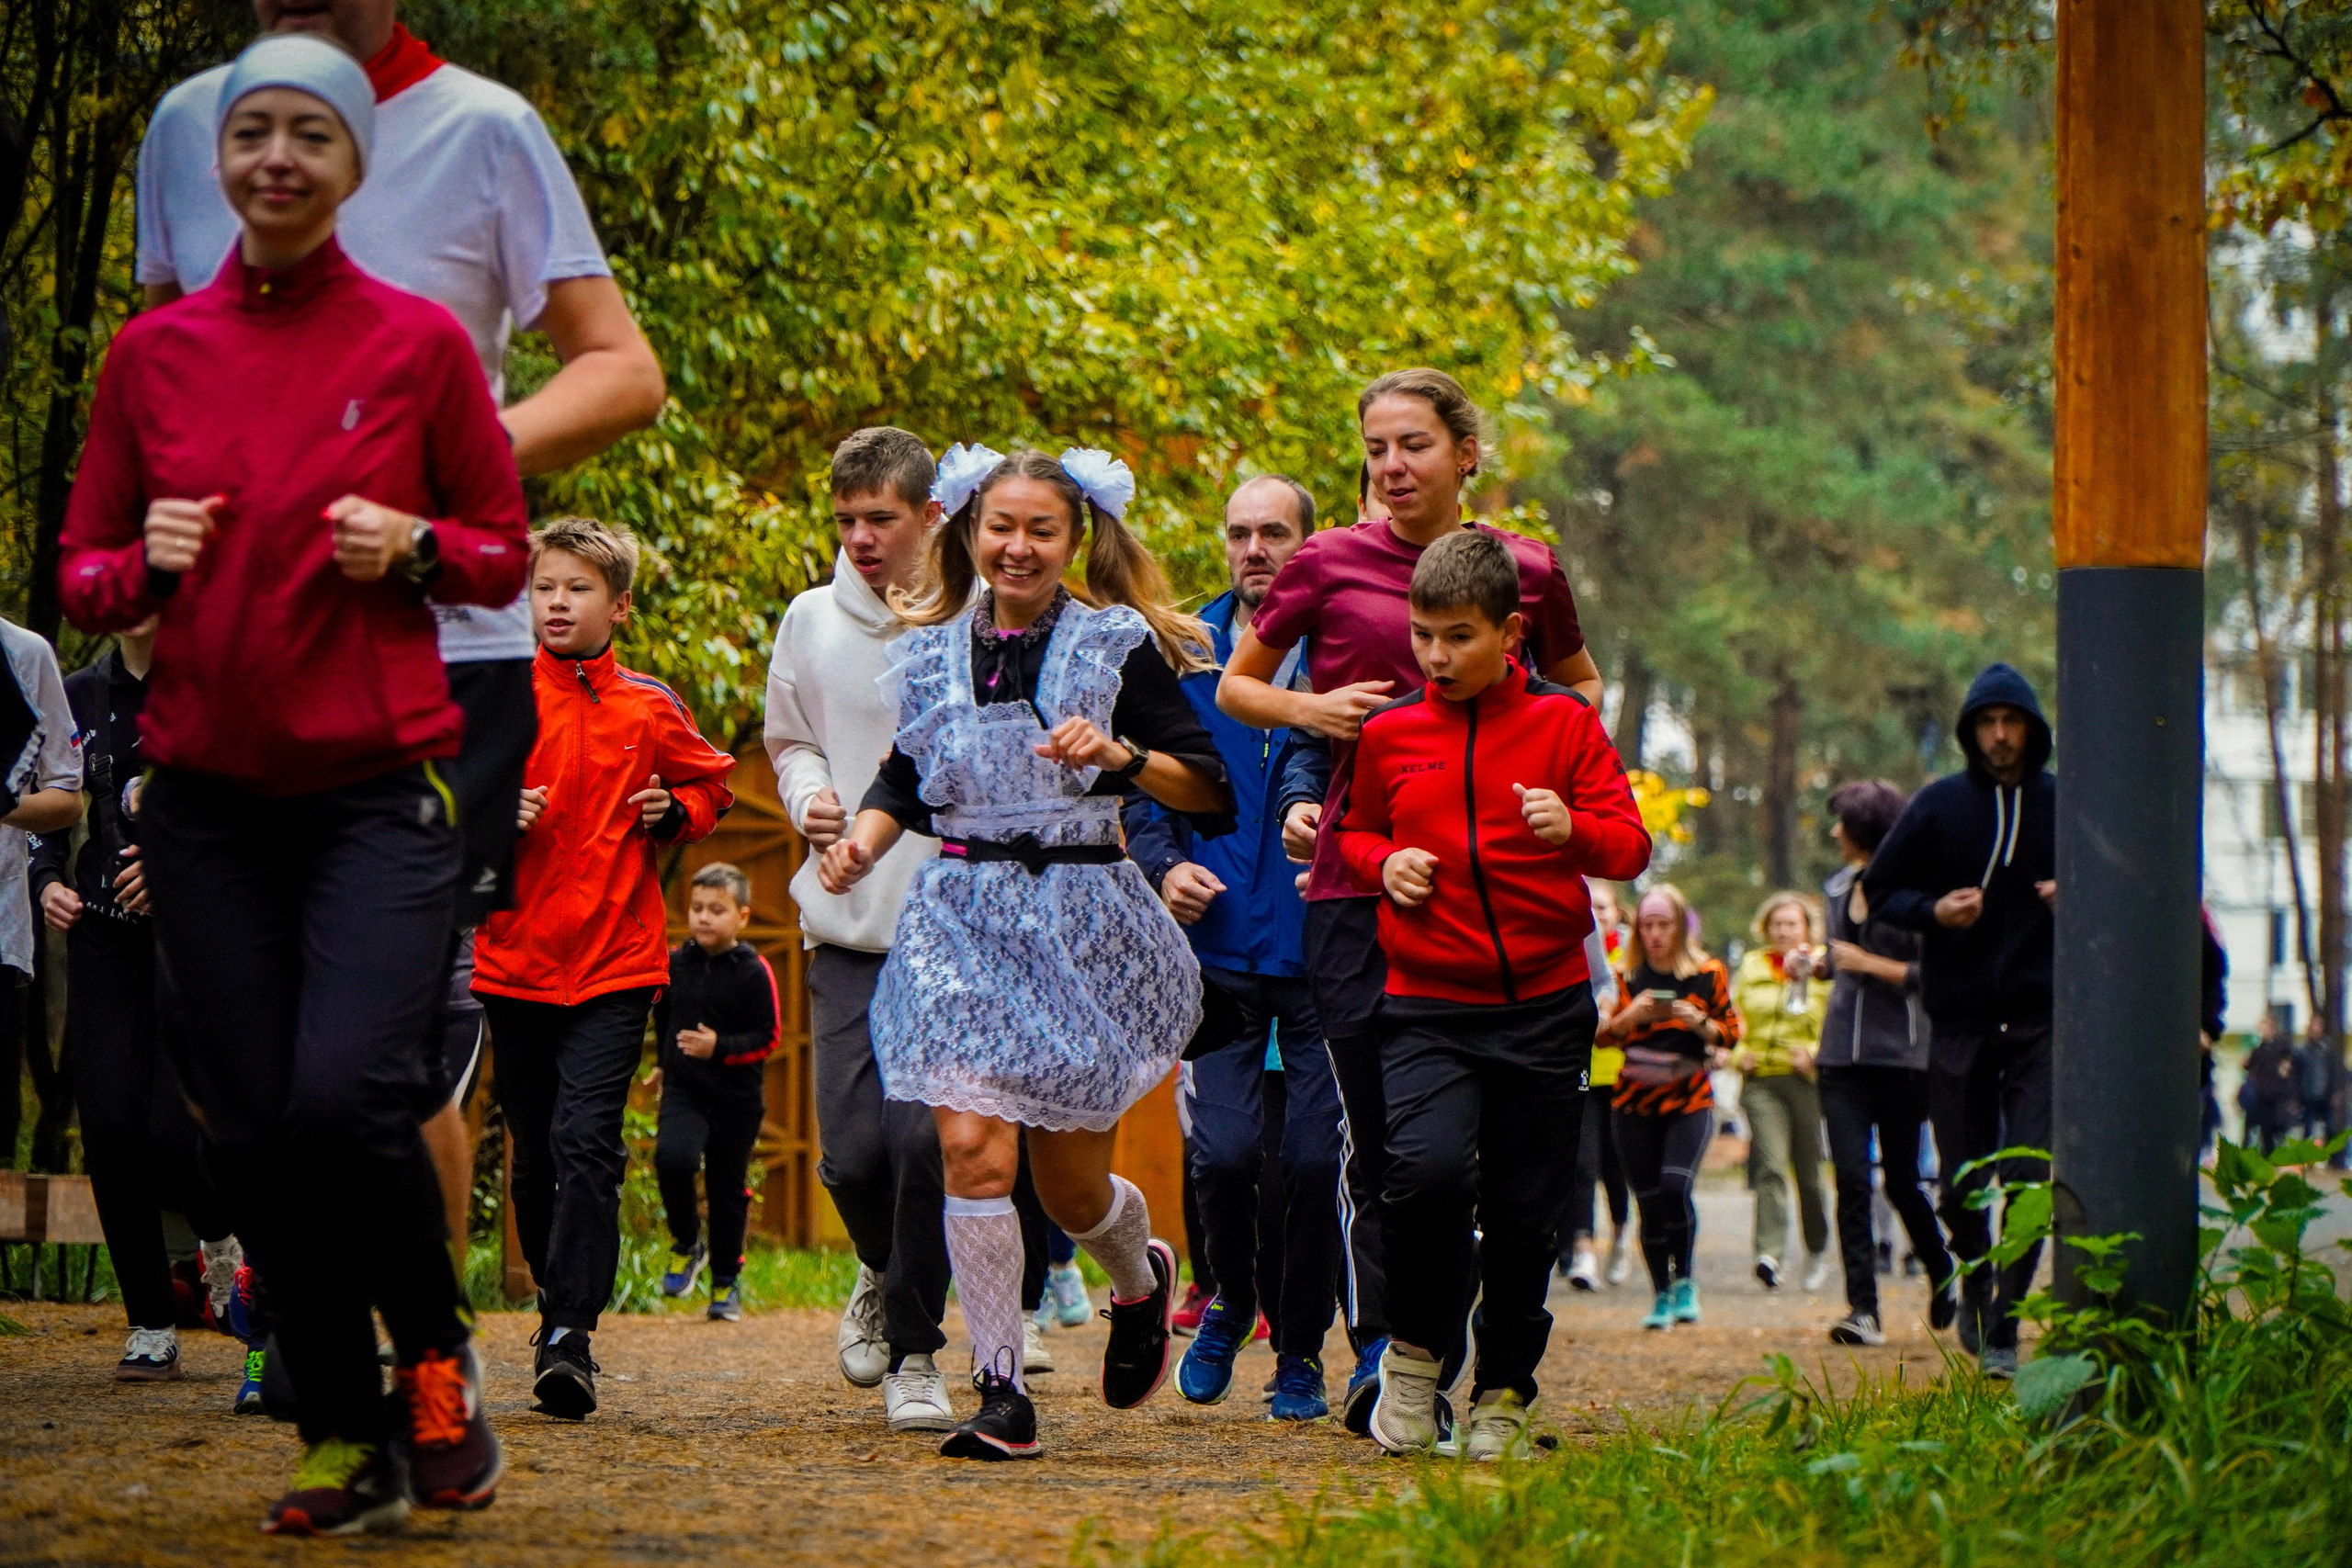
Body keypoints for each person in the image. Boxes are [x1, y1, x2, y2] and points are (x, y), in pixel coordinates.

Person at [61, 34, 519, 1531]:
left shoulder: (416, 347)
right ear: (220, 161)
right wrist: (142, 567)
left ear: (351, 166)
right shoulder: (153, 355)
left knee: (348, 1098)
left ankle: (436, 1369)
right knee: (246, 1129)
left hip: (380, 789)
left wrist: (422, 547)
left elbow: (503, 546)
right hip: (202, 799)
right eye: (251, 132)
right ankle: (339, 1425)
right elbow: (80, 567)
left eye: (307, 137)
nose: (275, 158)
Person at [136, 0, 667, 1252]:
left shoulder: (485, 128)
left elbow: (622, 371)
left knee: (394, 1038)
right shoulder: (183, 126)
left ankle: (417, 1353)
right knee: (235, 1050)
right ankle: (311, 1310)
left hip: (441, 656)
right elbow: (159, 364)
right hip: (237, 669)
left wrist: (434, 470)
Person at [818, 446, 1231, 1461]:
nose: (1018, 546)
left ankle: (1139, 1279)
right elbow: (903, 783)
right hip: (963, 917)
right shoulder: (927, 650)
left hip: (1083, 921)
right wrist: (859, 847)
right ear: (968, 530)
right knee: (970, 1150)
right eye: (1001, 526)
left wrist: (1122, 756)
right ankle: (1001, 1388)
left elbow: (1209, 787)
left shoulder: (1112, 647)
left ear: (1073, 538)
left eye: (1041, 529)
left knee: (1071, 1191)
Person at [1217, 367, 1601, 1430]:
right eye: (1377, 448)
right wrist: (1321, 712)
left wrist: (1551, 790)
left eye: (1414, 446)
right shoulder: (1328, 563)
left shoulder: (1524, 569)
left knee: (1491, 1162)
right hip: (1356, 887)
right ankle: (1391, 1354)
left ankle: (1469, 1361)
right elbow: (1237, 687)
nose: (1393, 467)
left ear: (1465, 454)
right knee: (1391, 1150)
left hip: (1496, 902)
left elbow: (1580, 685)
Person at [1328, 530, 1648, 1459]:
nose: (1435, 656)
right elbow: (1349, 836)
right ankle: (1416, 1357)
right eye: (1423, 635)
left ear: (1511, 632)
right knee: (1420, 1179)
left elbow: (1629, 845)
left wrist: (1572, 830)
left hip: (1545, 1007)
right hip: (1425, 1006)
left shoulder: (1563, 727)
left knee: (1522, 1211)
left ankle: (1503, 1391)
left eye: (1458, 636)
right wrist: (1386, 863)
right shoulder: (1391, 734)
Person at [471, 518, 736, 1420]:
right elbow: (435, 792)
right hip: (512, 960)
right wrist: (489, 810)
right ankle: (557, 1308)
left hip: (618, 964)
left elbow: (713, 788)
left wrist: (674, 811)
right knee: (538, 1156)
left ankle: (568, 1336)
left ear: (616, 604)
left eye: (576, 589)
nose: (556, 602)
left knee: (588, 1142)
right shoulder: (497, 695)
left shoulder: (650, 706)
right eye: (544, 587)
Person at [1125, 473, 1344, 1422]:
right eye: (1238, 534)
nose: (1253, 550)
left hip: (1321, 949)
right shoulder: (1183, 651)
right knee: (1218, 1158)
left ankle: (1299, 1354)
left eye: (1273, 534)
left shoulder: (1347, 654)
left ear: (1309, 545)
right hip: (1212, 950)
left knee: (1304, 1166)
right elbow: (1145, 787)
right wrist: (1162, 865)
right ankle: (1229, 1303)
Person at [763, 427, 967, 1433]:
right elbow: (789, 737)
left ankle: (918, 1354)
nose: (858, 539)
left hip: (957, 928)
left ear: (931, 515)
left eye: (878, 518)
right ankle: (881, 1273)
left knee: (922, 1142)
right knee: (849, 1156)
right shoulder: (809, 618)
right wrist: (806, 795)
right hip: (844, 922)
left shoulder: (978, 617)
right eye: (844, 520)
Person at [29, 617, 246, 1385]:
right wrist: (48, 880)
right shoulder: (78, 692)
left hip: (197, 939)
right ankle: (151, 1323)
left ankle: (225, 1244)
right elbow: (45, 799)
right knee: (112, 1126)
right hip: (102, 938)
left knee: (174, 1128)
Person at [1862, 662, 2055, 1380]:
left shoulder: (2066, 803)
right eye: (1988, 722)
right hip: (1960, 1021)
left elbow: (2121, 887)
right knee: (1961, 1181)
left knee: (2031, 1175)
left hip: (2041, 1021)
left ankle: (2004, 1320)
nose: (2001, 735)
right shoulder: (1941, 806)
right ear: (1972, 731)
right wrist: (1935, 912)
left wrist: (2081, 893)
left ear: (2033, 729)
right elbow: (1878, 891)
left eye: (2012, 722)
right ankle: (1977, 1277)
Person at [1815, 781, 1955, 1347]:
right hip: (1839, 1057)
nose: (1833, 833)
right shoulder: (1835, 888)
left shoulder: (1919, 892)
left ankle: (1944, 1270)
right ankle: (1863, 1310)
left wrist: (1868, 964)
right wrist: (1820, 964)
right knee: (1850, 1179)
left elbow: (1933, 976)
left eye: (1842, 823)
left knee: (1901, 1181)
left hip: (1902, 1057)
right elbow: (1840, 960)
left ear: (1866, 830)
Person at [1599, 885, 1741, 1332]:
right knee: (1648, 1202)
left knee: (1675, 1186)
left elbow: (1731, 1034)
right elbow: (1601, 1036)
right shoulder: (1622, 975)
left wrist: (1698, 1023)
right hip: (1633, 1102)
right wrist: (1631, 1018)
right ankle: (1660, 1291)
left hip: (1689, 1098)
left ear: (1681, 927)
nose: (1656, 934)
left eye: (1665, 925)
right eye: (1648, 925)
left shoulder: (1707, 972)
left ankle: (1687, 1282)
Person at [650, 863, 778, 1323]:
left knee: (728, 1192)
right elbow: (663, 1019)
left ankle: (726, 1284)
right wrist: (664, 1065)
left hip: (736, 1099)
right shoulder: (673, 963)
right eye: (697, 908)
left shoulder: (754, 970)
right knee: (672, 1158)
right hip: (684, 1090)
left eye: (717, 910)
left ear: (742, 916)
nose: (704, 918)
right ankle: (687, 1242)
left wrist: (718, 1048)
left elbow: (768, 1036)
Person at [1731, 892, 1832, 1293]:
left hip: (1806, 1082)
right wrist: (1741, 1054)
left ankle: (1817, 1249)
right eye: (1777, 924)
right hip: (1762, 1082)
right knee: (1770, 1165)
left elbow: (1837, 1020)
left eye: (1792, 924)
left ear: (1806, 928)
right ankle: (1769, 1254)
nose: (1784, 931)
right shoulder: (1752, 965)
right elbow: (1733, 1019)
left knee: (1809, 1174)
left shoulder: (1822, 966)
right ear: (1766, 928)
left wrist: (1815, 1054)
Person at [1562, 880, 1633, 1290]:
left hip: (1622, 1073)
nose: (1595, 913)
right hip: (1582, 1067)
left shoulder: (1631, 953)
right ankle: (1583, 1248)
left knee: (1616, 1166)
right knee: (1583, 1162)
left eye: (1602, 907)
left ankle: (1622, 1234)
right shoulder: (1573, 943)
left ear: (1616, 911)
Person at [2240, 1021, 2303, 1154]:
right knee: (2264, 1132)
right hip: (2263, 1096)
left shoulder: (2282, 1047)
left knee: (2278, 1130)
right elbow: (2247, 1065)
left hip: (2279, 1097)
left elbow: (2293, 1066)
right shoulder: (2259, 1050)